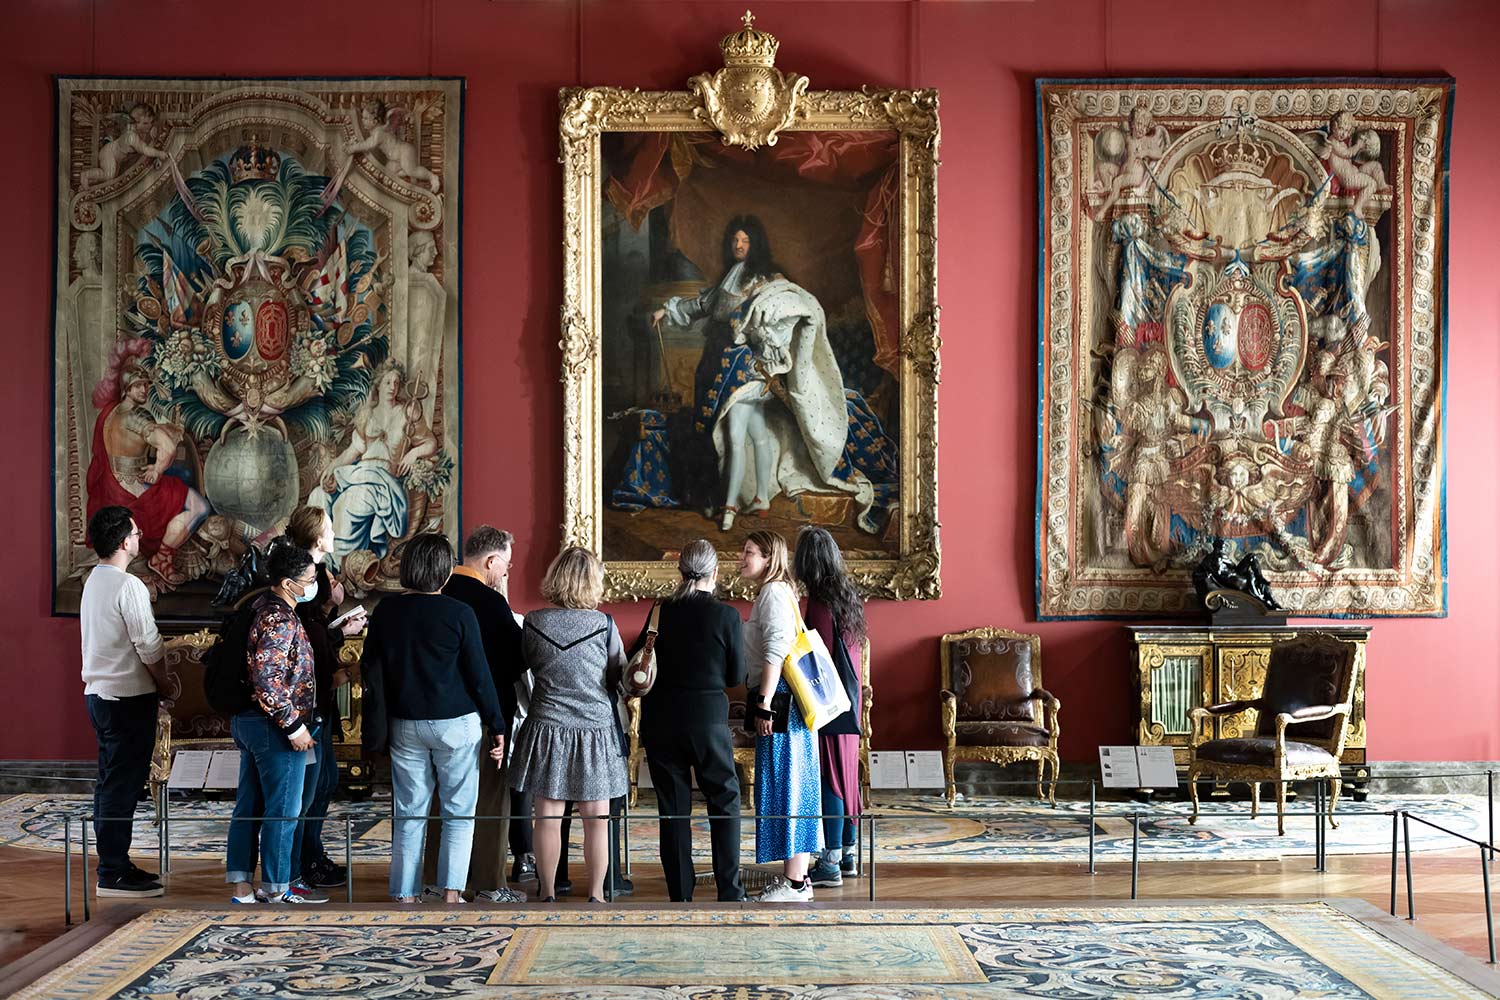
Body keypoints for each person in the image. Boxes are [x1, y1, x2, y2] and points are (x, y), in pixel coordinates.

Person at [650, 217, 871, 531]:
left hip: (747, 369)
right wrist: (667, 310)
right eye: (735, 240)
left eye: (745, 241)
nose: (739, 246)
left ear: (756, 244)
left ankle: (729, 507)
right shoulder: (732, 275)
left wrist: (763, 342)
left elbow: (787, 311)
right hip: (716, 365)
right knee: (754, 431)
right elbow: (705, 303)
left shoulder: (768, 280)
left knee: (734, 434)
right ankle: (760, 500)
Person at [360, 533, 506, 904]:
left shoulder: (385, 613)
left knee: (409, 813)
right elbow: (479, 675)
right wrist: (498, 726)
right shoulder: (459, 613)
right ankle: (452, 893)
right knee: (459, 813)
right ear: (444, 574)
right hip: (457, 724)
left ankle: (405, 894)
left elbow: (372, 672)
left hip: (405, 723)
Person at [508, 547, 629, 903]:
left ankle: (546, 892)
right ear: (593, 582)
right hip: (595, 730)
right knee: (596, 819)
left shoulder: (534, 622)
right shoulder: (603, 624)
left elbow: (520, 669)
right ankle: (596, 894)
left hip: (546, 726)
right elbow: (619, 676)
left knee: (546, 815)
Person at [417, 525, 529, 903]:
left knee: (439, 800)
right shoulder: (491, 604)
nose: (507, 573)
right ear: (491, 560)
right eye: (506, 566)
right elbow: (515, 662)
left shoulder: (436, 592)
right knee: (489, 800)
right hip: (486, 716)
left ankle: (436, 879)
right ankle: (488, 883)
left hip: (434, 714)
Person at [633, 539, 746, 902]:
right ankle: (729, 889)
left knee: (673, 806)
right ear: (714, 572)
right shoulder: (726, 616)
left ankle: (680, 892)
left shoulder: (660, 611)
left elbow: (640, 661)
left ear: (681, 571)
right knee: (724, 799)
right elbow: (735, 676)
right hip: (707, 721)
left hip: (662, 719)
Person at [226, 543, 326, 904]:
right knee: (284, 809)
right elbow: (268, 679)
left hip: (251, 723)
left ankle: (241, 885)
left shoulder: (258, 607)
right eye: (309, 580)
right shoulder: (278, 618)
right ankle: (277, 887)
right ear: (288, 583)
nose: (313, 585)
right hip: (273, 728)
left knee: (249, 804)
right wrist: (294, 727)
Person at [80, 506, 167, 898]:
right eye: (135, 530)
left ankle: (114, 862)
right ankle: (112, 870)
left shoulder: (93, 581)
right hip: (128, 698)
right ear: (122, 542)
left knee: (110, 782)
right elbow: (148, 644)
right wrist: (165, 684)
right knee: (122, 786)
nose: (141, 532)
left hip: (99, 696)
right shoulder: (127, 585)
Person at [283, 507, 367, 889]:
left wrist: (336, 620)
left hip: (317, 694)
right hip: (307, 699)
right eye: (330, 528)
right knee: (313, 784)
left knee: (325, 778)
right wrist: (331, 610)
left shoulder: (315, 578)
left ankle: (311, 854)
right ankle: (304, 860)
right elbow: (305, 637)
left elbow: (314, 633)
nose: (335, 532)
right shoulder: (310, 577)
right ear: (318, 539)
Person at [741, 529, 822, 902]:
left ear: (769, 557)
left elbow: (775, 652)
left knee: (786, 784)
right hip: (788, 702)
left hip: (782, 702)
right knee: (796, 785)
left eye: (750, 553)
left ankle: (793, 883)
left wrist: (763, 703)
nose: (743, 559)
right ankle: (798, 880)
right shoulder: (781, 592)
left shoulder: (773, 593)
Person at [86, 357, 210, 584]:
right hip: (136, 489)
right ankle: (162, 557)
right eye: (138, 385)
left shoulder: (110, 414)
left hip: (112, 487)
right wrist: (158, 469)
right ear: (126, 389)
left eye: (146, 384)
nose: (144, 389)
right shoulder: (137, 416)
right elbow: (168, 447)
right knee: (199, 506)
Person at [307, 361, 438, 565]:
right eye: (387, 382)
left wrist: (413, 454)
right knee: (318, 495)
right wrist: (332, 467)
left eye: (396, 383)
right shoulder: (367, 414)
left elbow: (430, 443)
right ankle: (318, 562)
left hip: (384, 481)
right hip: (360, 472)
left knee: (348, 502)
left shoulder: (408, 413)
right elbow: (354, 451)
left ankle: (341, 565)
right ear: (378, 385)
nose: (392, 387)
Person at [793, 527, 865, 887]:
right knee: (846, 775)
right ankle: (849, 854)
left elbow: (814, 655)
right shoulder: (848, 597)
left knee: (829, 779)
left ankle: (830, 862)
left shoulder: (819, 602)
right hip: (850, 699)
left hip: (828, 700)